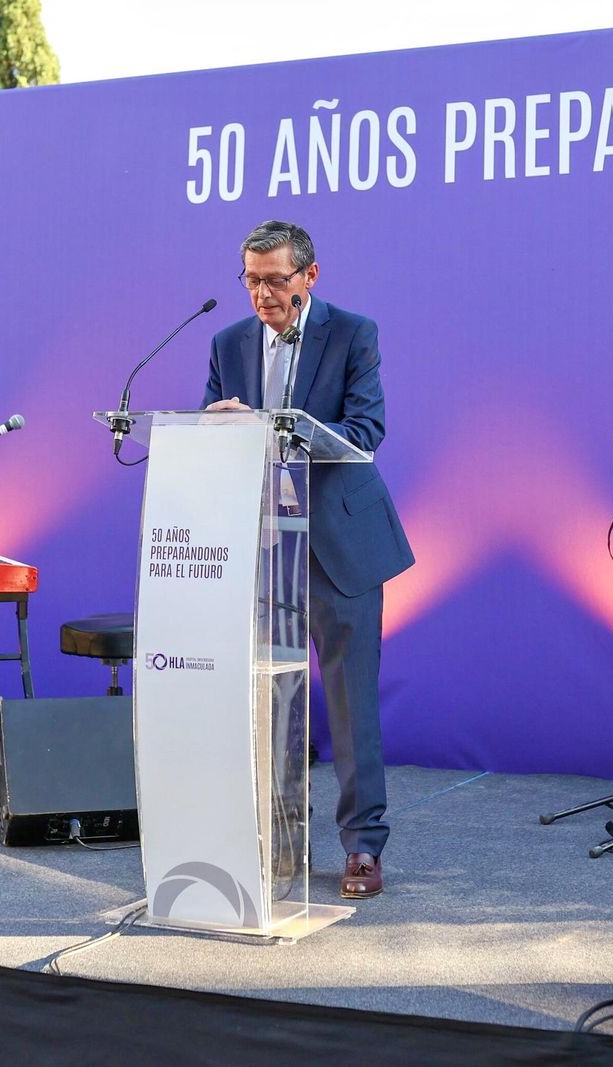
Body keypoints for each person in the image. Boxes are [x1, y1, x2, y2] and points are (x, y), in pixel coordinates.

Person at [204, 221, 413, 898]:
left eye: (275, 279)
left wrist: (288, 429)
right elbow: (214, 424)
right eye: (252, 279)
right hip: (264, 542)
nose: (262, 293)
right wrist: (221, 424)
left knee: (351, 704)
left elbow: (366, 431)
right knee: (266, 697)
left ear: (310, 276)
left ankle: (362, 847)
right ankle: (274, 838)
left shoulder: (354, 334)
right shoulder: (227, 343)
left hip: (338, 541)